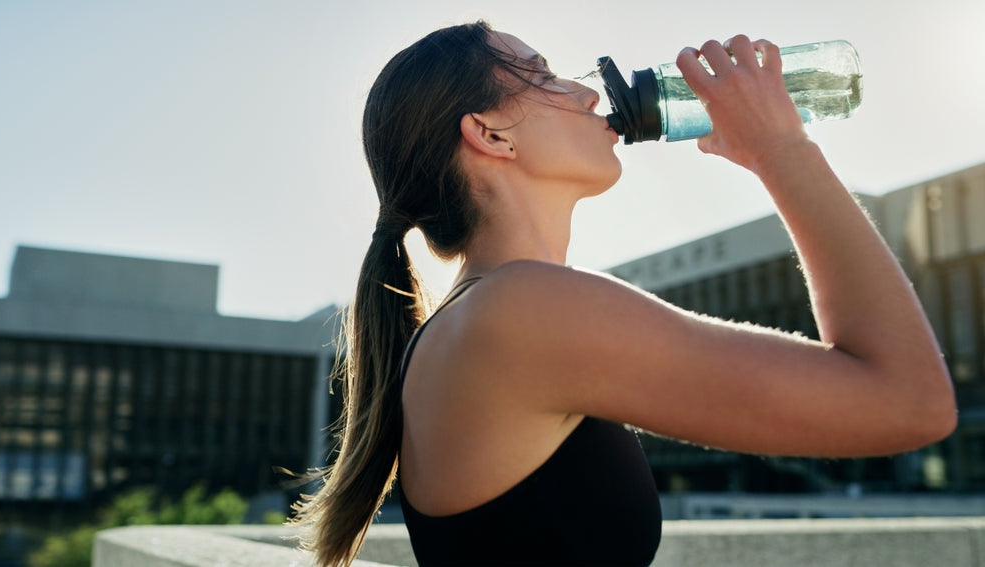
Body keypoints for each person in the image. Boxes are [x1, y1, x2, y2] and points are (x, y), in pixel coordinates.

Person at [291, 20, 957, 567]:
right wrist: (782, 148)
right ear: (489, 134)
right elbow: (908, 399)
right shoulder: (520, 312)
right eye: (544, 76)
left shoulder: (491, 315)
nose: (586, 95)